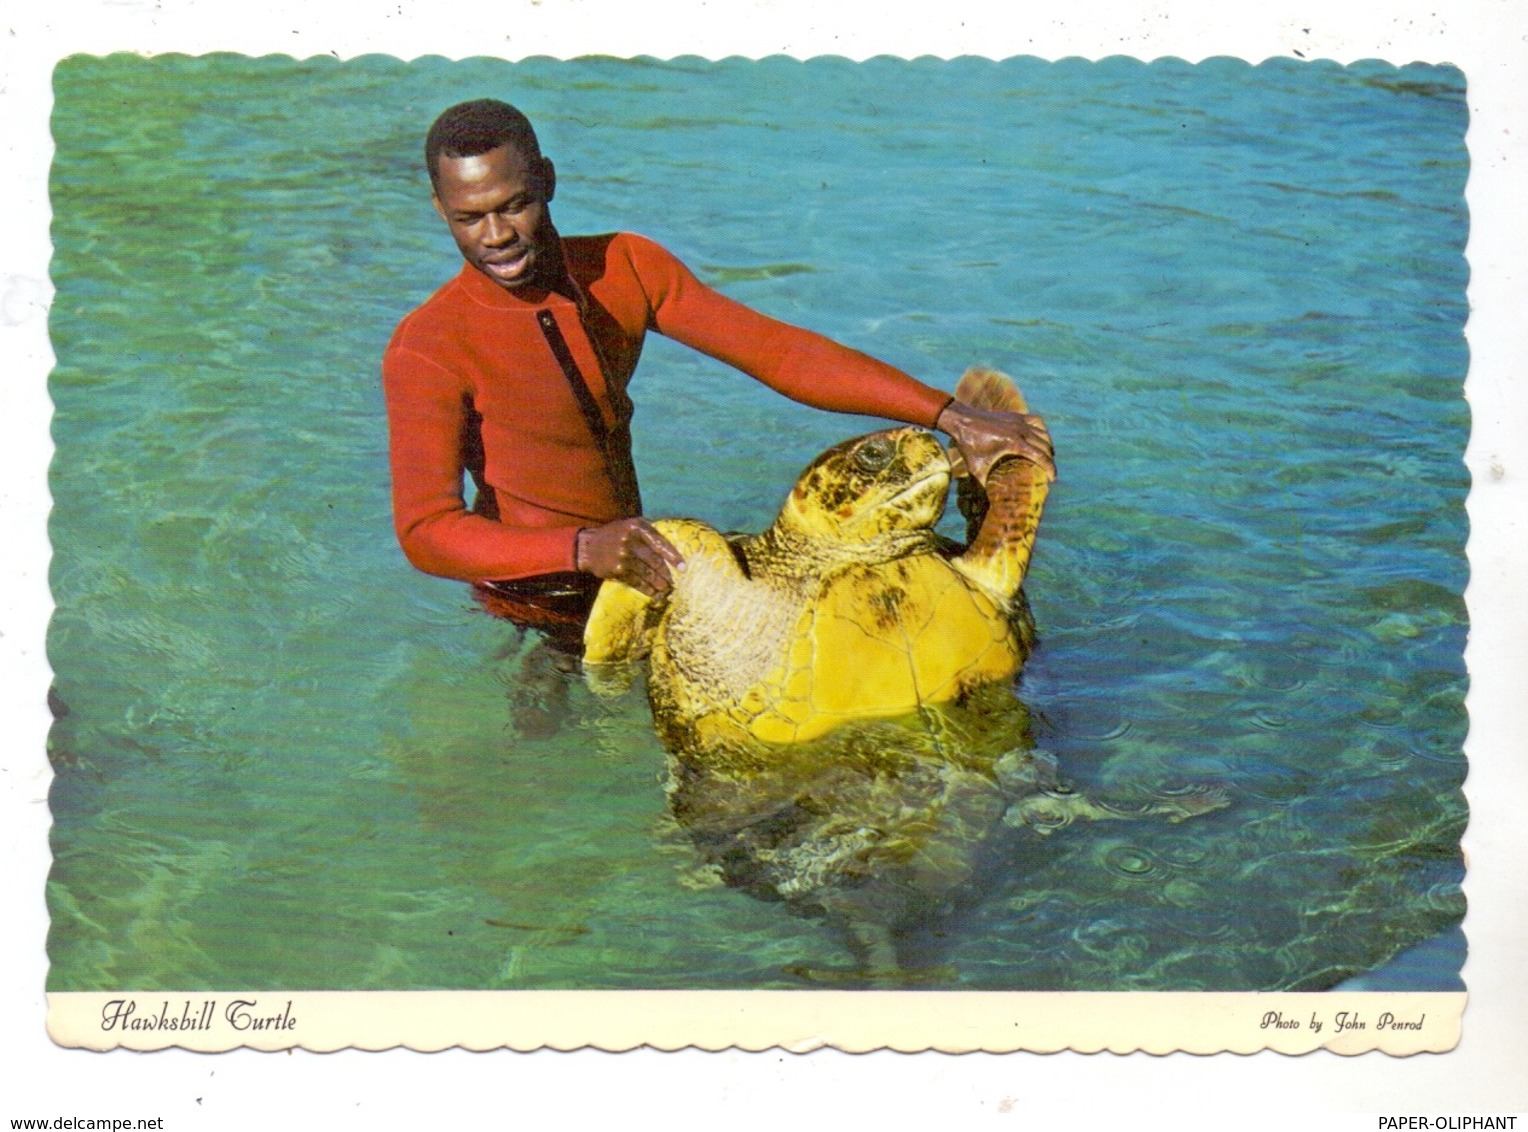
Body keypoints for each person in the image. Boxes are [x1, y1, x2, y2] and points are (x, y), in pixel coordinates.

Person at [383, 98, 1054, 656]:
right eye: (470, 218)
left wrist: (949, 416)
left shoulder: (626, 267)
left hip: (635, 563)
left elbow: (779, 354)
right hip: (537, 597)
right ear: (441, 210)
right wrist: (581, 549)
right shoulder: (429, 346)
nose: (496, 234)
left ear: (549, 181)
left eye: (514, 204)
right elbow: (425, 530)